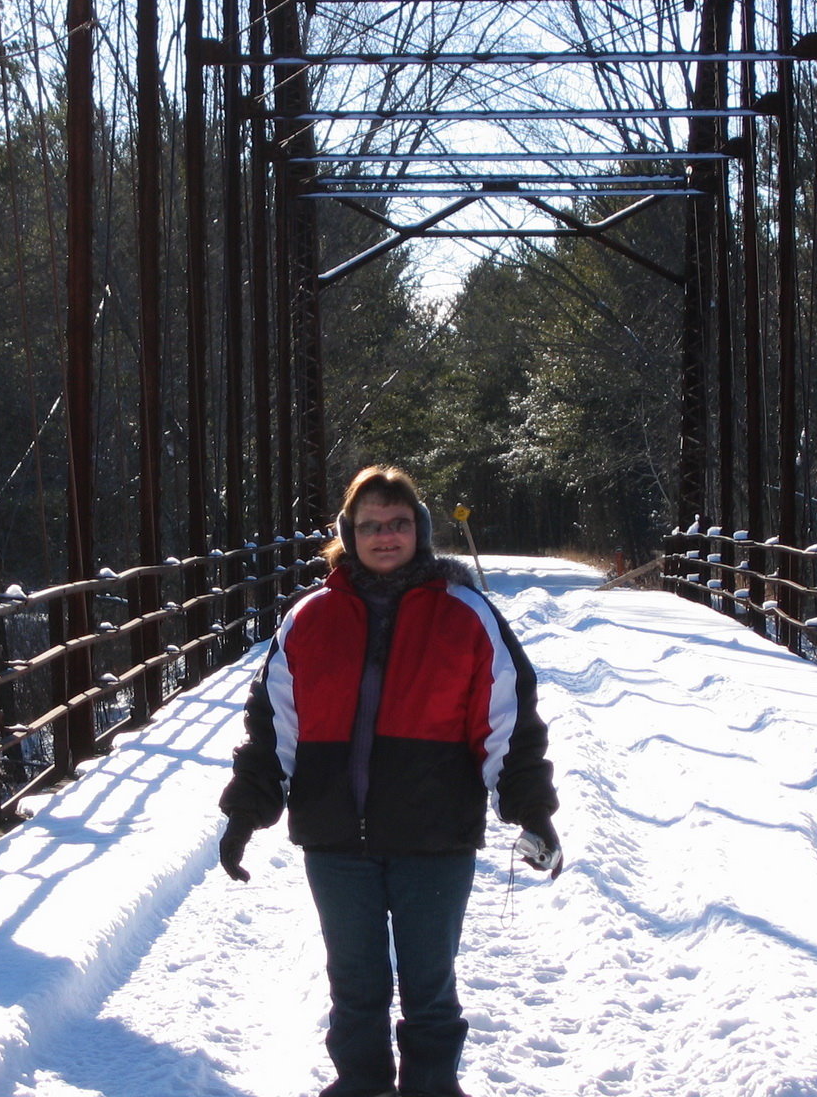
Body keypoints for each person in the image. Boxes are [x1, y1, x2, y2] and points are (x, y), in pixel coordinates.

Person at [217, 465, 561, 1097]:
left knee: (430, 986)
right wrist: (246, 811)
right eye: (370, 525)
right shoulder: (309, 618)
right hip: (335, 838)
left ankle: (432, 1087)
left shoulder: (467, 614)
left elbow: (510, 722)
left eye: (398, 523)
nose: (384, 536)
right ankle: (362, 1083)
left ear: (419, 531)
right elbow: (272, 728)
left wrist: (531, 809)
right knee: (354, 983)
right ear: (348, 533)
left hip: (435, 837)